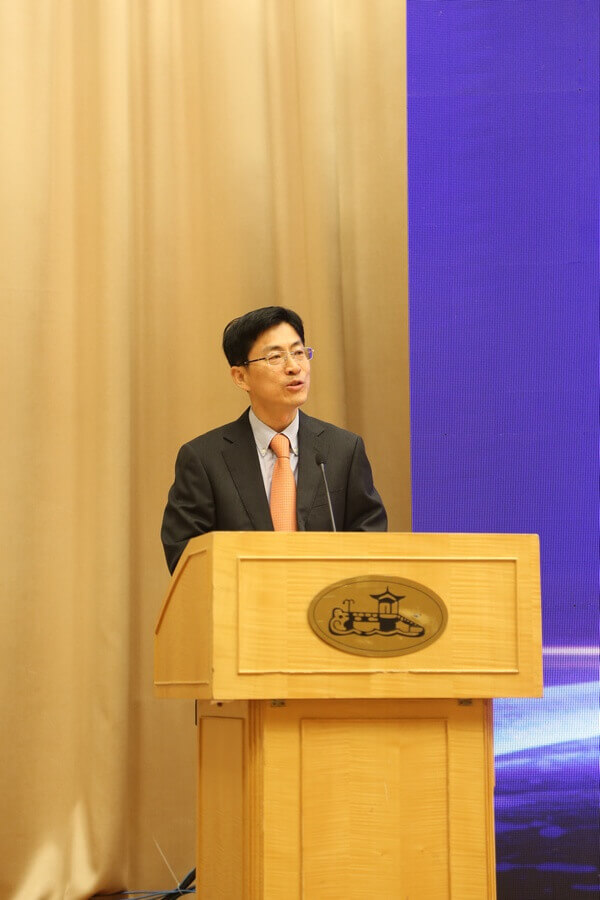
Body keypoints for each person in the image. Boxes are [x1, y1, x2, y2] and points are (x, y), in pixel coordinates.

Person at [161, 306, 387, 572]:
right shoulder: (204, 459)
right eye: (275, 357)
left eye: (299, 353)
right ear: (241, 377)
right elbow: (186, 559)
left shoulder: (343, 450)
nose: (294, 367)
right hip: (244, 597)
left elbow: (371, 542)